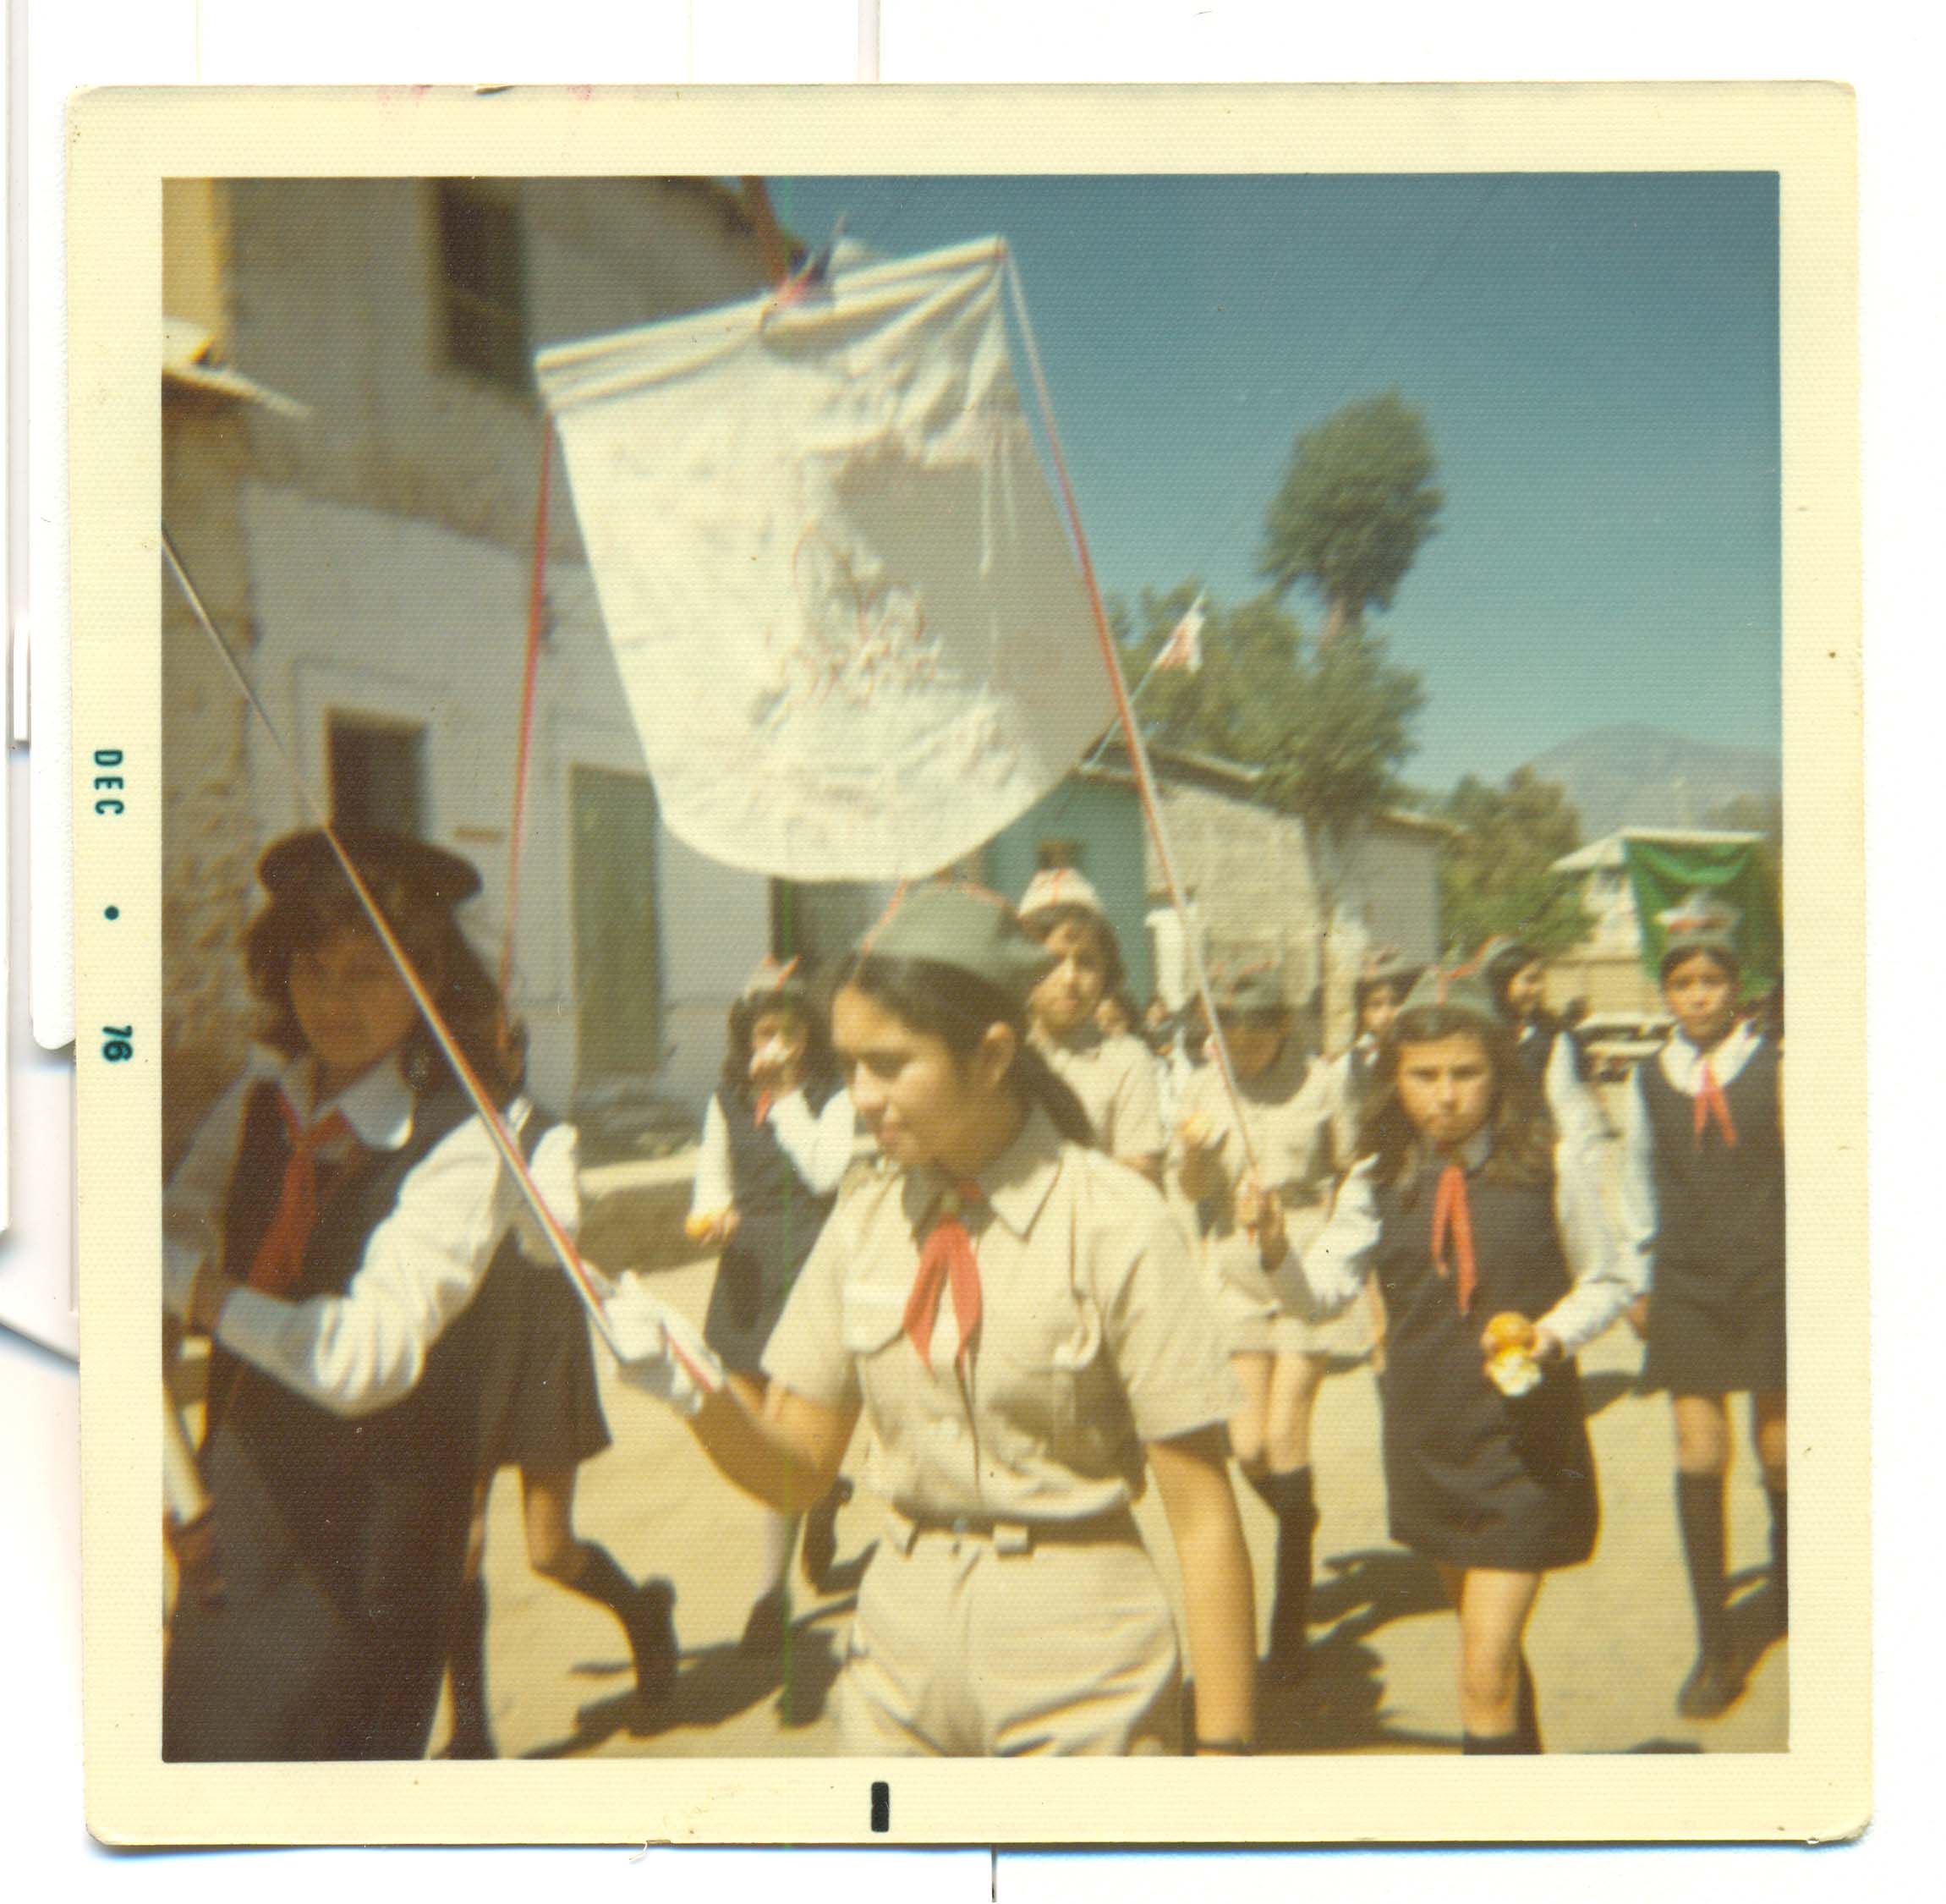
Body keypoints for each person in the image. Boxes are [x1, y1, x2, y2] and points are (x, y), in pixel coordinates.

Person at [622, 885, 1257, 1756]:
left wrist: (1227, 1757)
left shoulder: (1115, 1220)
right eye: (848, 1066)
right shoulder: (864, 1222)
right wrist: (697, 1395)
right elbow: (800, 1472)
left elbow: (1204, 1516)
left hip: (1082, 1659)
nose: (863, 1096)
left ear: (993, 1055)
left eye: (890, 1063)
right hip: (898, 1654)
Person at [161, 827, 584, 1760]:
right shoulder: (255, 1107)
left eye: (368, 971)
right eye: (312, 968)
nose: (334, 1000)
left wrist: (196, 1296)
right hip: (235, 1505)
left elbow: (366, 1358)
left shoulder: (472, 1138)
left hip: (368, 1548)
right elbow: (173, 1227)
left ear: (430, 979)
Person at [1284, 966, 1639, 1753]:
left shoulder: (1547, 1163)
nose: (1444, 1095)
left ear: (1498, 1073)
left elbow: (1610, 1279)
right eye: (1424, 1075)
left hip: (1525, 1448)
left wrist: (1549, 1336)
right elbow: (1319, 1295)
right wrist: (1273, 1249)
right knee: (1495, 1657)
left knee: (1480, 1668)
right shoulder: (1376, 1179)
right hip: (1430, 1442)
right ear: (1394, 1078)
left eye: (1464, 1073)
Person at [1172, 963, 1376, 1682]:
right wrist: (1194, 1153)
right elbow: (1191, 1188)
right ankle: (1299, 1515)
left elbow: (1353, 1170)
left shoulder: (1322, 1081)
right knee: (1247, 1442)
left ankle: (1288, 1632)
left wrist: (1356, 1267)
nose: (1243, 1047)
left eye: (1257, 1034)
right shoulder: (1202, 1085)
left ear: (1284, 1026)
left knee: (1287, 1430)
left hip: (1301, 1250)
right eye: (1229, 1033)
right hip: (1232, 1257)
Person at [1618, 896, 1786, 1720]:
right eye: (1682, 982)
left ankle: (1789, 1577)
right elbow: (1637, 1185)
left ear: (1736, 987)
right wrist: (1637, 1278)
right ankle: (1716, 1642)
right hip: (1685, 1281)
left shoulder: (1776, 1063)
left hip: (1771, 1276)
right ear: (1666, 993)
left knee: (1781, 1448)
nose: (1697, 995)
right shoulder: (1650, 1078)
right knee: (1698, 1448)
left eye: (1711, 980)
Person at [687, 957, 858, 1650]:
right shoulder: (725, 1098)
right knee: (749, 1424)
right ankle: (821, 1499)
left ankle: (768, 1592)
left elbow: (824, 1169)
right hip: (747, 1270)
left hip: (810, 1263)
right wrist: (711, 1216)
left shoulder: (833, 1096)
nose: (776, 1048)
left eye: (790, 1034)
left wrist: (788, 1098)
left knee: (785, 1446)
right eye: (765, 1033)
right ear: (745, 1037)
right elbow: (709, 1183)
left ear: (809, 1038)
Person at [1017, 867, 1167, 1182]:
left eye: (1086, 962)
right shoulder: (998, 1055)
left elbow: (1140, 1181)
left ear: (1106, 973)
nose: (1070, 978)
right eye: (1053, 961)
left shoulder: (1126, 1060)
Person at [1477, 937, 1609, 1154]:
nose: (1538, 989)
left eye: (1540, 980)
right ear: (1501, 983)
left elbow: (1570, 1108)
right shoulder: (1480, 1035)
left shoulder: (1553, 1039)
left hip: (1538, 1155)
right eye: (1529, 980)